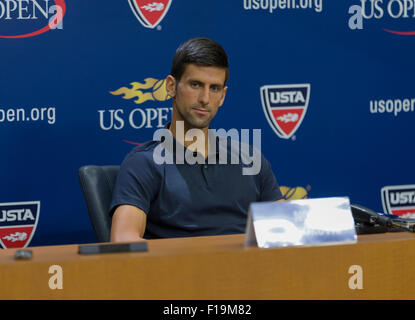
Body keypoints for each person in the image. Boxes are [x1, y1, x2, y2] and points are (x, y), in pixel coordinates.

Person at [109, 37, 283, 242]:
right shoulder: (143, 163)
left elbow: (287, 231)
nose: (205, 99)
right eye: (195, 84)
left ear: (223, 96)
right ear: (171, 86)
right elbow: (123, 239)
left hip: (250, 271)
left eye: (214, 88)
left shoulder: (250, 159)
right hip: (180, 272)